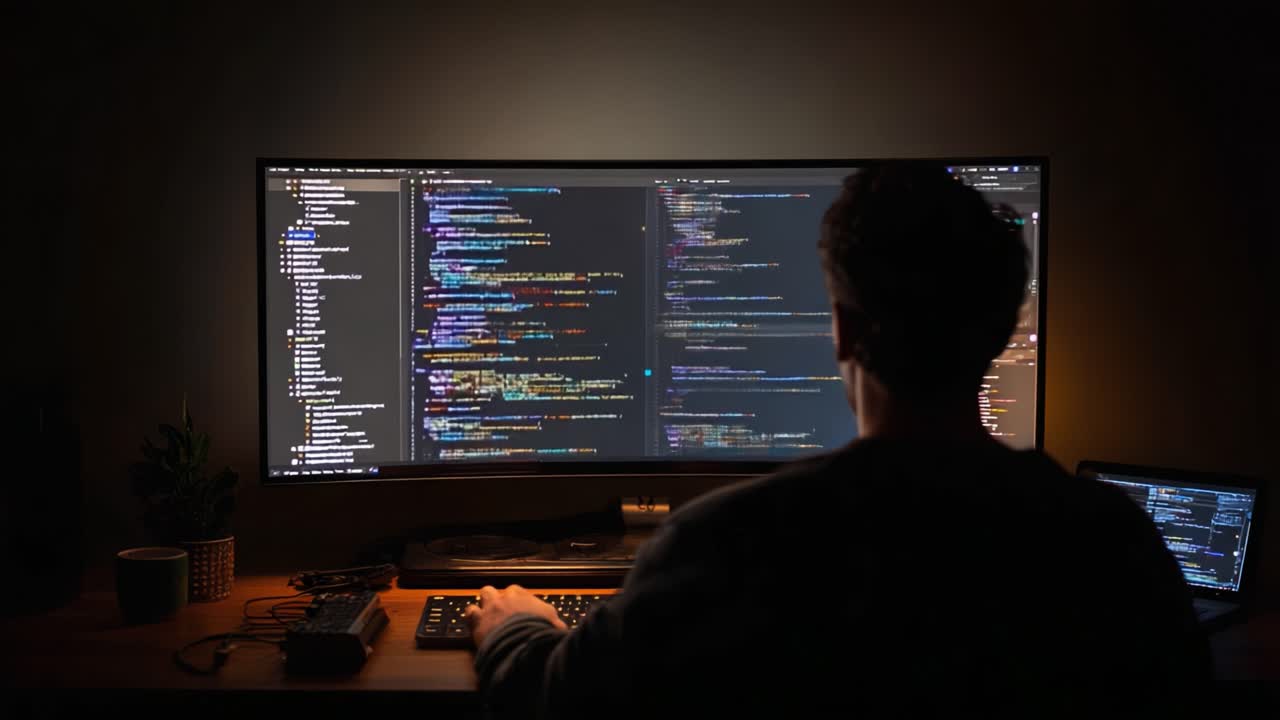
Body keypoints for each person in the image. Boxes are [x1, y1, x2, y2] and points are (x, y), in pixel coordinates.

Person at [463, 163, 1211, 717]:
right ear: (1005, 333)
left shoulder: (725, 546)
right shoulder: (1110, 544)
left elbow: (557, 704)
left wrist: (517, 628)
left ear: (845, 331)